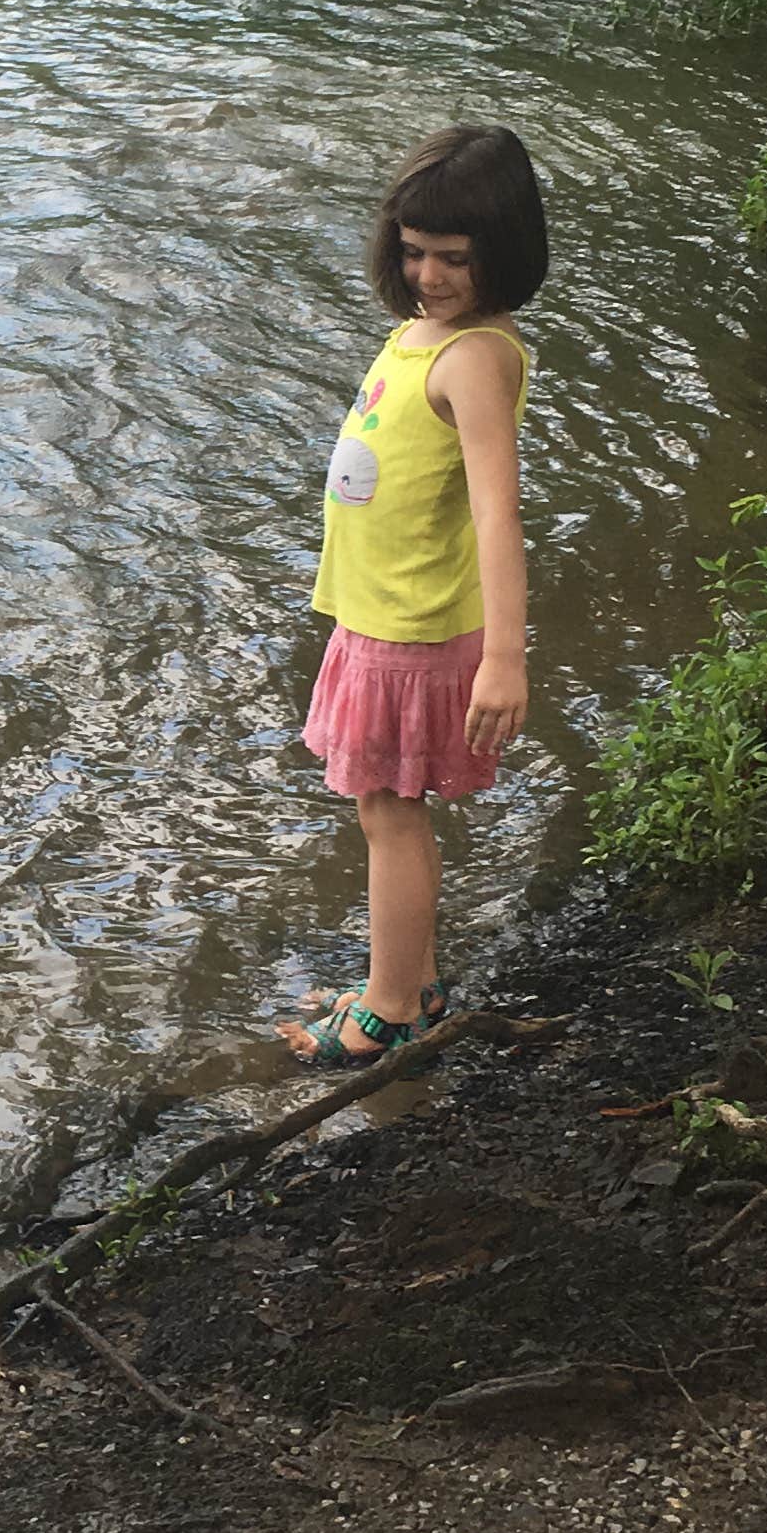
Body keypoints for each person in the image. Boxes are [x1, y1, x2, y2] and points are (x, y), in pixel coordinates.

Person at [288, 126, 547, 1067]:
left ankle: (391, 1012)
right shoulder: (422, 331)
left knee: (389, 812)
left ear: (502, 256)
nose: (429, 275)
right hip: (380, 614)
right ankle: (415, 979)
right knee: (391, 808)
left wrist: (506, 659)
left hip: (415, 629)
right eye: (413, 252)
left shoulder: (475, 357)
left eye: (454, 260)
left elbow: (497, 517)